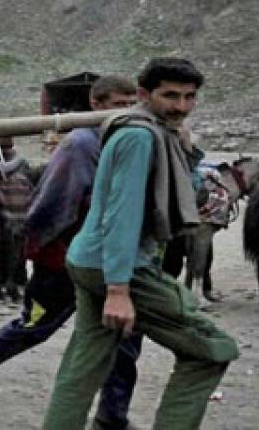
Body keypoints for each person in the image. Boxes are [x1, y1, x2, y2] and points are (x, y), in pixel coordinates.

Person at [0, 75, 137, 428]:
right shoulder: (82, 144)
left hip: (110, 262)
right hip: (65, 260)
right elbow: (52, 206)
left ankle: (113, 414)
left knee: (125, 335)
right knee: (33, 327)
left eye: (132, 103)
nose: (127, 111)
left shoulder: (128, 141)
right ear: (97, 105)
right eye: (119, 104)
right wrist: (63, 252)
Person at [42, 58, 239, 430]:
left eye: (189, 97)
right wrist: (118, 288)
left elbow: (182, 187)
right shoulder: (140, 136)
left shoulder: (153, 132)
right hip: (119, 265)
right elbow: (123, 212)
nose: (180, 106)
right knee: (212, 350)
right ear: (145, 94)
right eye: (170, 96)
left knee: (83, 365)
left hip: (90, 259)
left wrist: (188, 152)